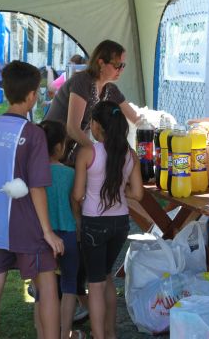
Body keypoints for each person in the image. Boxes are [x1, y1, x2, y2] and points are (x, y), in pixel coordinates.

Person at [0, 60, 64, 339]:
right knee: (47, 286)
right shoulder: (34, 133)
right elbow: (37, 186)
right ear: (31, 96)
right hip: (27, 225)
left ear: (5, 93)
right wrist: (48, 232)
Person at [72, 101, 143, 339]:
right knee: (106, 276)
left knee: (96, 283)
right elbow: (139, 194)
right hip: (120, 224)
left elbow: (77, 194)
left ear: (97, 125)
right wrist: (121, 192)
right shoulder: (129, 154)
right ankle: (110, 333)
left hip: (94, 223)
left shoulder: (88, 152)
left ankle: (100, 335)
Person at [45, 40, 140, 154]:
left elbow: (135, 119)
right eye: (117, 65)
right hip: (49, 148)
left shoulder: (110, 89)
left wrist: (154, 130)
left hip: (68, 148)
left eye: (123, 65)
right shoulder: (82, 81)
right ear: (101, 63)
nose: (121, 69)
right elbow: (72, 128)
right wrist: (98, 152)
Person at [38, 120, 84, 339]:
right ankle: (66, 333)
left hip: (42, 236)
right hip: (67, 233)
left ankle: (42, 333)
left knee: (40, 289)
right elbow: (75, 204)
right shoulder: (69, 174)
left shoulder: (33, 174)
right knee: (69, 285)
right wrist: (78, 226)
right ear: (59, 147)